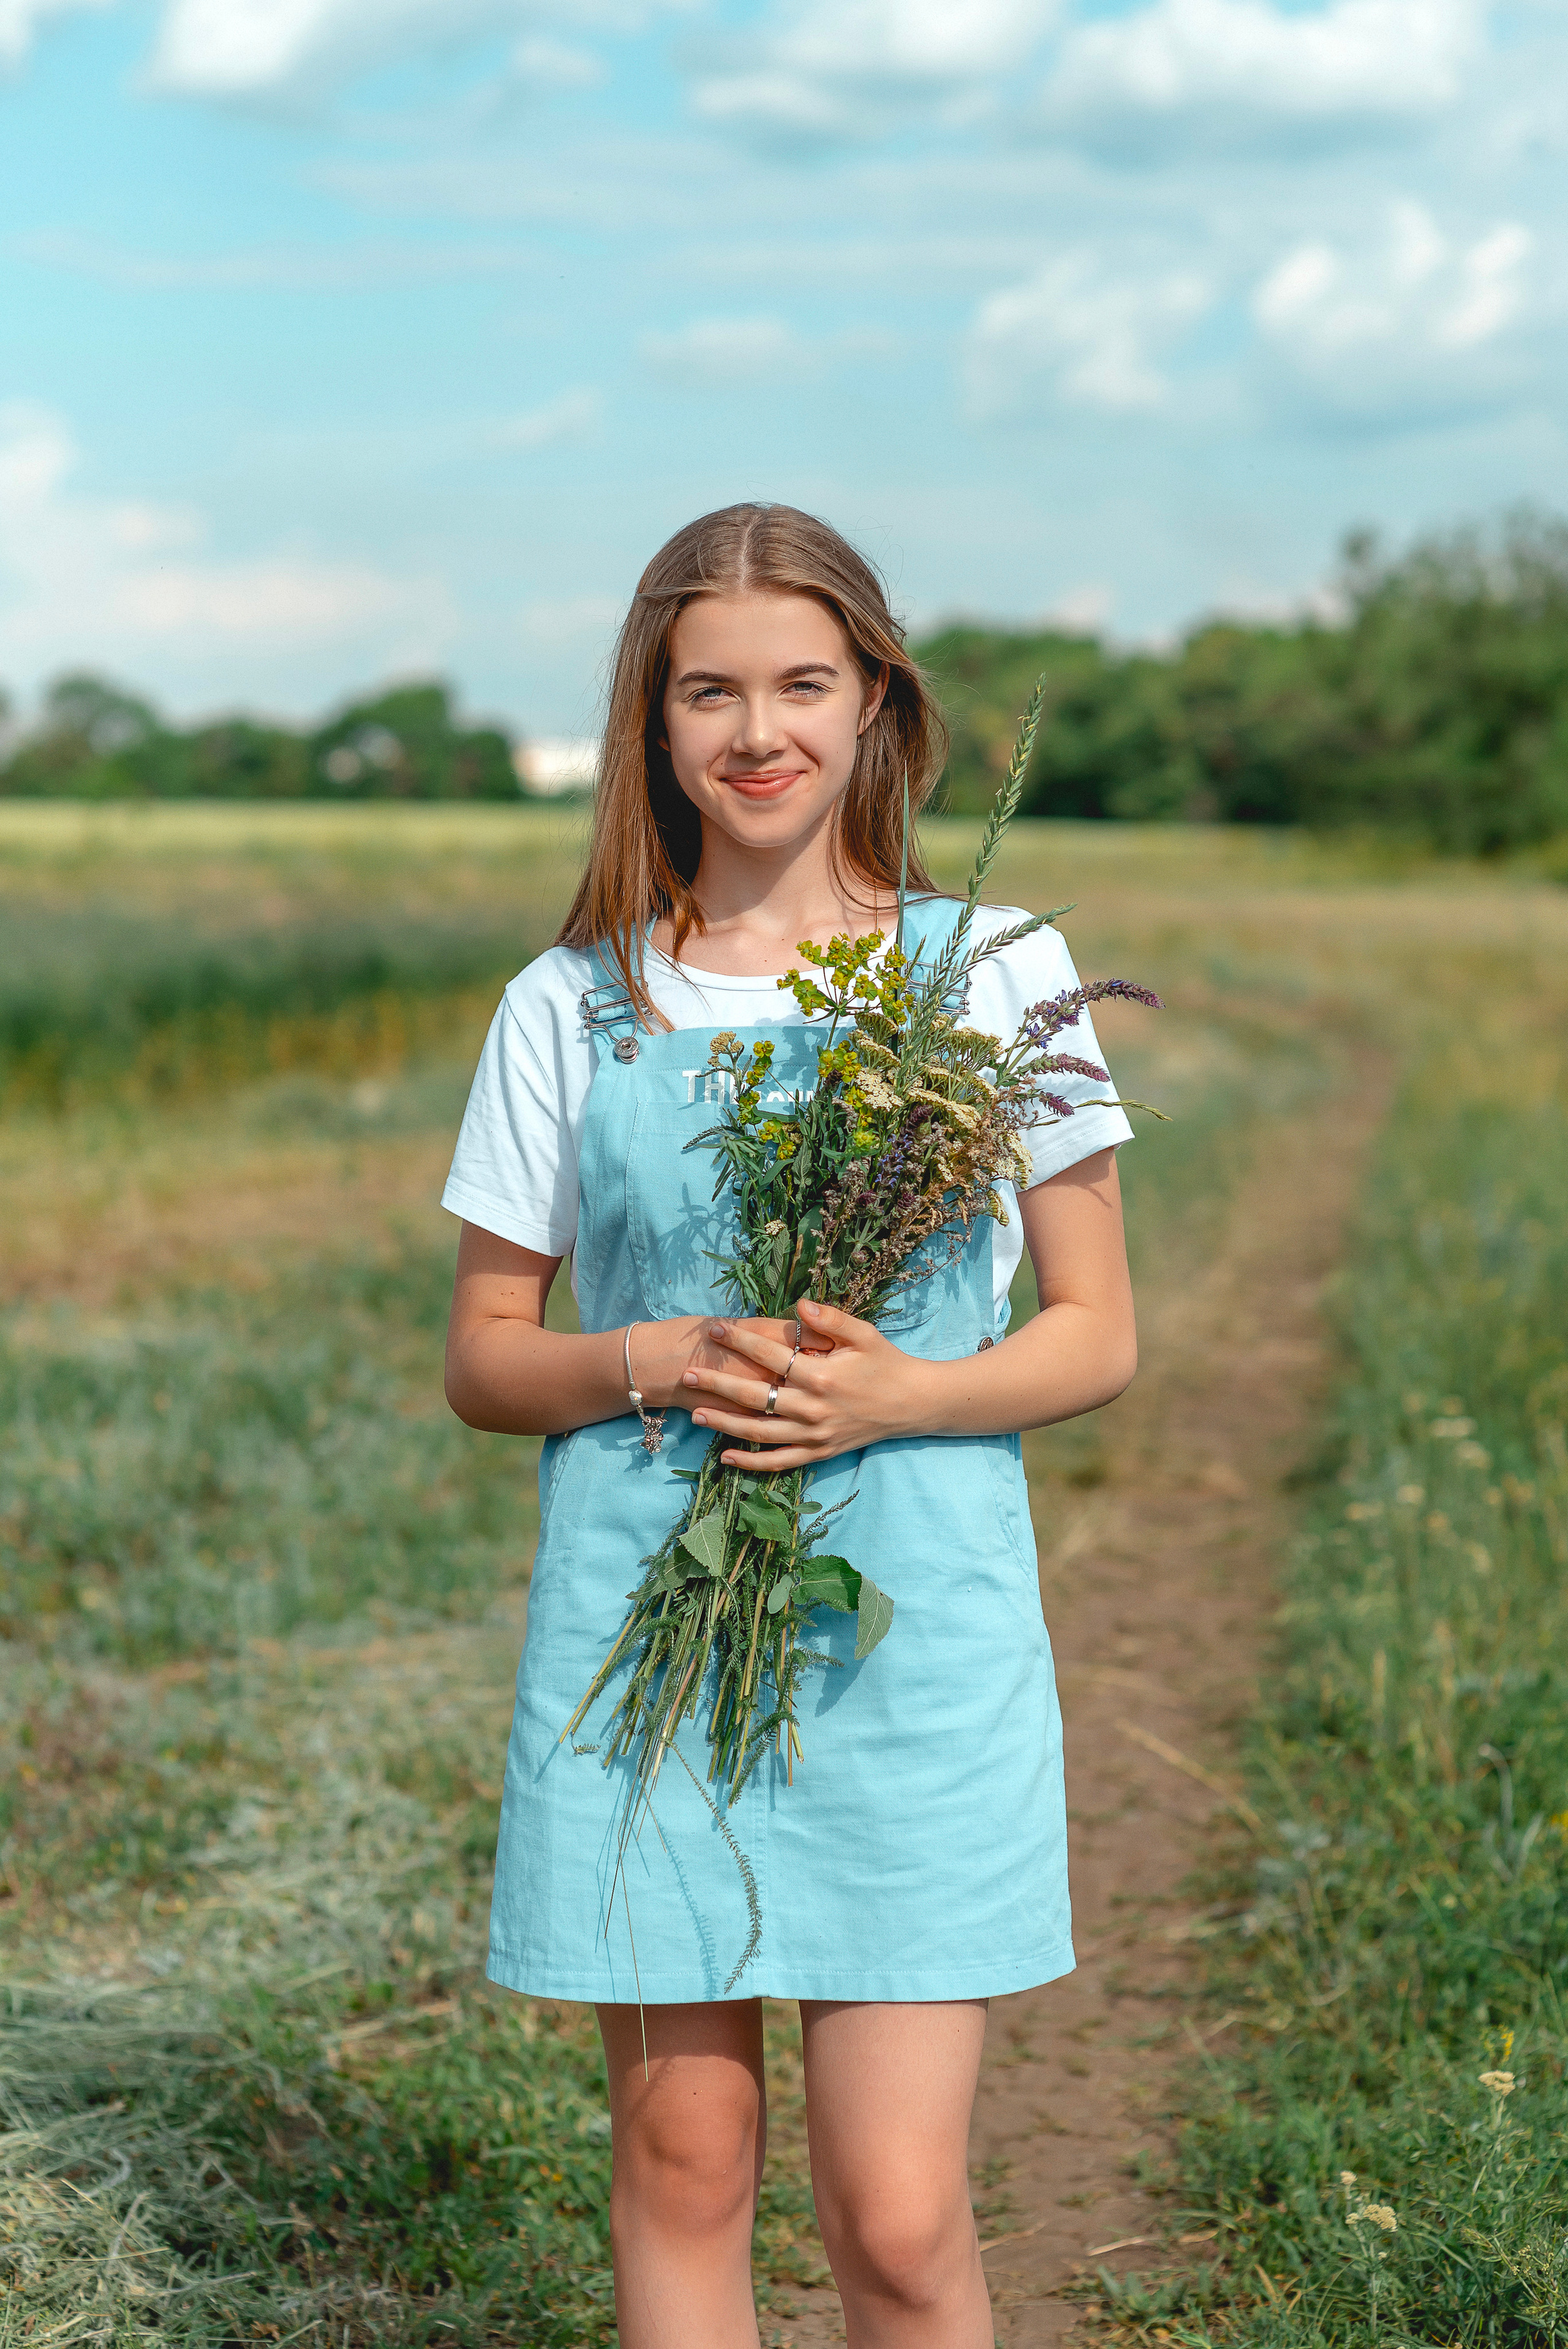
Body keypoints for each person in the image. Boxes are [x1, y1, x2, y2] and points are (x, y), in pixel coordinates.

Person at [441, 503, 1138, 2348]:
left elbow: (1098, 1332)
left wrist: (899, 1390)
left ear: (876, 701)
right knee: (684, 2159)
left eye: (803, 681)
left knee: (897, 2219)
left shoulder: (998, 970)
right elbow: (488, 1355)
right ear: (651, 724)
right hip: (645, 1646)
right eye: (710, 691)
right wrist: (654, 1353)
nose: (759, 729)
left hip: (917, 1650)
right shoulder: (569, 1003)